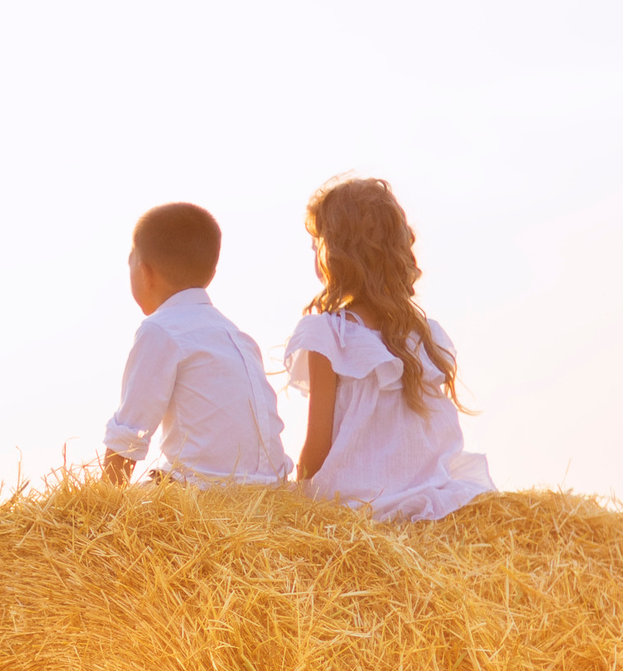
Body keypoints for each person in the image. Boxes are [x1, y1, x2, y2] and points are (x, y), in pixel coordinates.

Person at [283, 175, 493, 520]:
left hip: (357, 511)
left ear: (335, 253)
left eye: (316, 245)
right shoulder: (427, 337)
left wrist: (292, 504)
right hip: (428, 502)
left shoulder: (329, 333)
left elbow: (316, 450)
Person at [100, 202, 289, 487]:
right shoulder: (237, 336)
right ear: (211, 276)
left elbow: (129, 435)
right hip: (265, 494)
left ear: (144, 272)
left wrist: (97, 513)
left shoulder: (161, 330)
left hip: (199, 492)